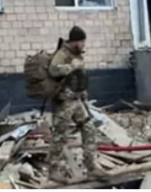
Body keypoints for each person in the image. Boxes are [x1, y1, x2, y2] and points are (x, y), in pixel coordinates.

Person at [47, 25, 99, 183]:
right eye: (81, 41)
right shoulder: (62, 54)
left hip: (77, 100)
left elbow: (80, 77)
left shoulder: (77, 55)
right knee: (60, 135)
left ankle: (92, 168)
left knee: (89, 129)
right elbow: (53, 70)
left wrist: (84, 96)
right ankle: (53, 170)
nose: (83, 44)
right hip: (65, 101)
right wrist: (71, 67)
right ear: (75, 41)